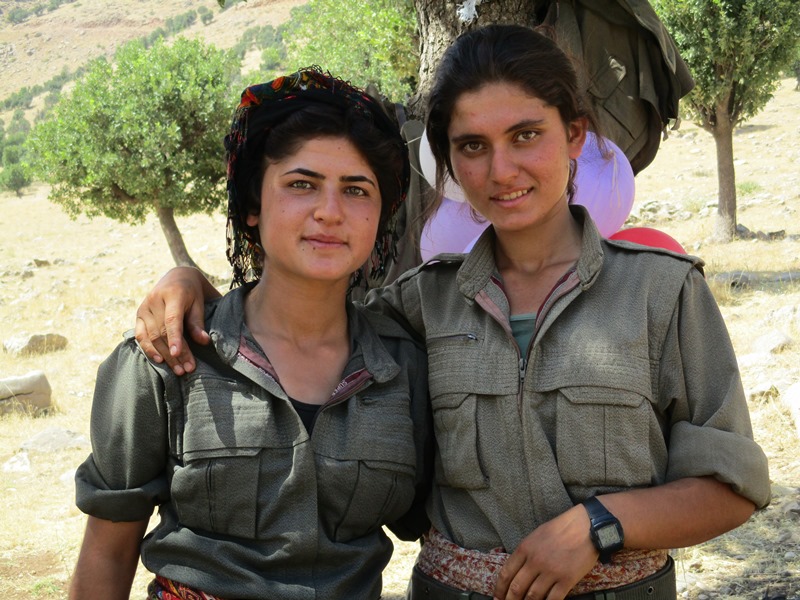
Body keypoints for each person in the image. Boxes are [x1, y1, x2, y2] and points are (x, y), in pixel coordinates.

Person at [134, 26, 771, 600]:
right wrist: (189, 282)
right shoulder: (419, 303)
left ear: (574, 134)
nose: (502, 169)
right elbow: (299, 323)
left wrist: (597, 527)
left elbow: (731, 487)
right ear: (449, 164)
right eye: (472, 146)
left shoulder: (663, 294)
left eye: (526, 135)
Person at [71, 67, 432, 600]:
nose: (329, 212)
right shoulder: (163, 356)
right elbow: (108, 547)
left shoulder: (404, 366)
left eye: (356, 190)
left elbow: (434, 523)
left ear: (381, 217)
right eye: (301, 184)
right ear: (252, 208)